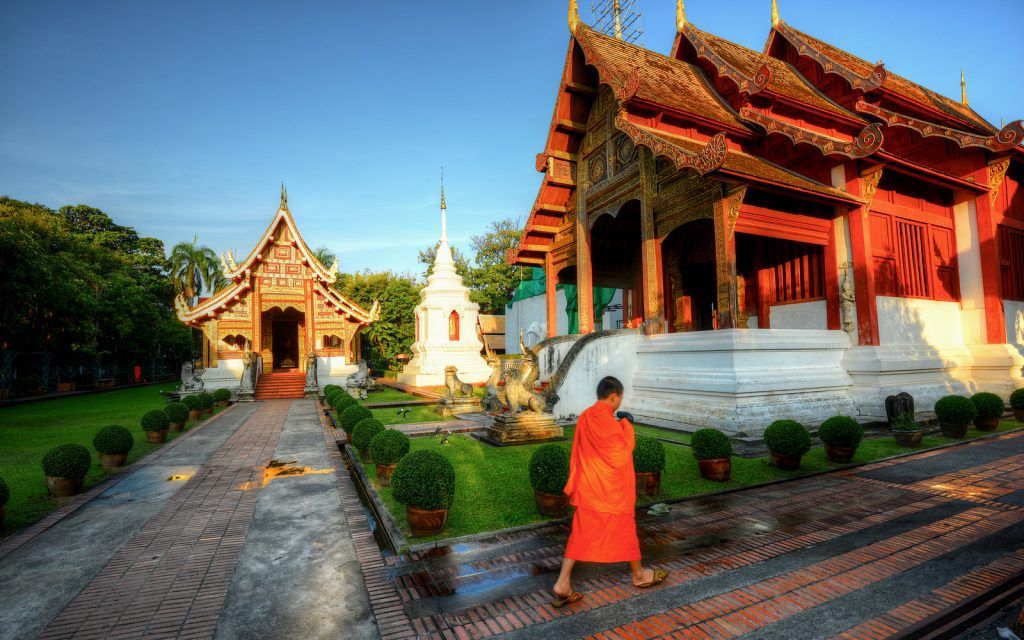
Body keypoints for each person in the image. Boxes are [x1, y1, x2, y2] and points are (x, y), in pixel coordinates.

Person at [550, 376, 668, 608]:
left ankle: (562, 582)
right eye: (619, 400)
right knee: (625, 530)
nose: (619, 404)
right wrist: (626, 425)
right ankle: (639, 574)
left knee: (579, 535)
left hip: (588, 489)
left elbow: (579, 450)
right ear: (613, 397)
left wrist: (617, 422)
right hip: (610, 492)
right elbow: (621, 453)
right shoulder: (609, 422)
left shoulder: (585, 417)